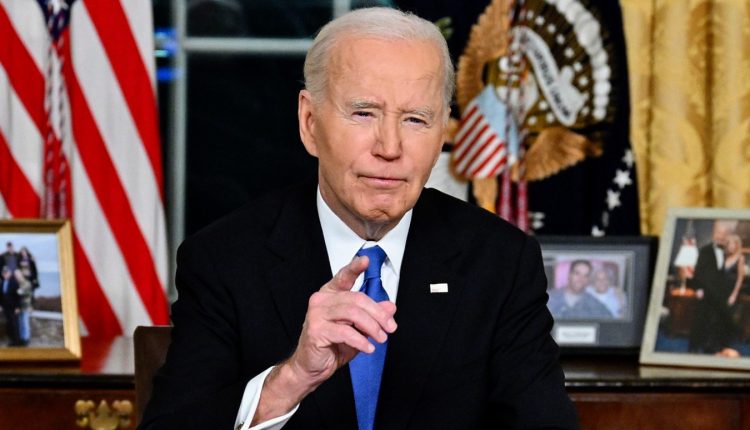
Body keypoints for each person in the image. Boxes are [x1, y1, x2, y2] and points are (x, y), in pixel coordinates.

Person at [140, 8, 577, 430]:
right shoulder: (225, 260)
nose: (389, 147)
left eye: (415, 119)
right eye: (364, 113)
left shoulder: (501, 263)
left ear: (443, 131)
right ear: (310, 122)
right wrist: (292, 378)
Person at [688, 221, 737, 353]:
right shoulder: (705, 250)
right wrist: (698, 289)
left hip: (720, 294)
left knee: (717, 322)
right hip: (706, 292)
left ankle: (713, 347)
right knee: (700, 320)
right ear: (713, 234)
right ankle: (693, 347)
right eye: (718, 233)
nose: (721, 236)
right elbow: (698, 272)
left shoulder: (728, 251)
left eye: (724, 234)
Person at [547, 260, 613, 319]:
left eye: (585, 275)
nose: (581, 279)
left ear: (589, 280)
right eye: (577, 273)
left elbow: (610, 323)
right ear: (569, 275)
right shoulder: (549, 299)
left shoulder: (595, 306)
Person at [0, 266, 21, 346]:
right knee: (9, 324)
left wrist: (18, 307)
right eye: (3, 273)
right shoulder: (2, 282)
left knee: (14, 324)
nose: (5, 274)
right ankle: (11, 341)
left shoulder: (15, 283)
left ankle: (16, 342)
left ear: (10, 273)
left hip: (13, 307)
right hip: (6, 307)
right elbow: (1, 295)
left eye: (6, 273)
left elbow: (19, 296)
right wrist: (1, 305)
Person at [15, 269, 33, 346]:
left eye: (18, 275)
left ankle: (26, 339)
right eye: (16, 275)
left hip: (26, 306)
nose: (17, 276)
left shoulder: (27, 283)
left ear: (21, 275)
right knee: (20, 323)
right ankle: (22, 339)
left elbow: (28, 293)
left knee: (25, 323)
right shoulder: (17, 283)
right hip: (19, 307)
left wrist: (21, 292)